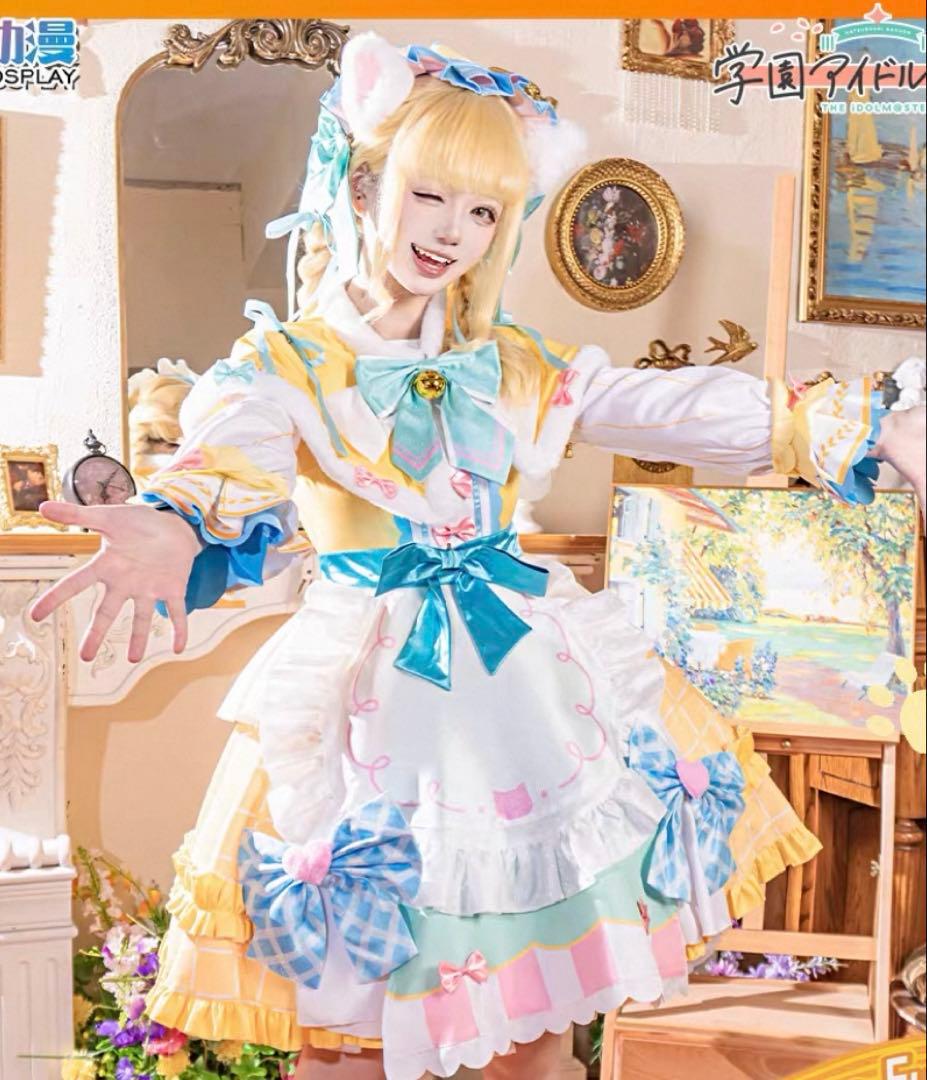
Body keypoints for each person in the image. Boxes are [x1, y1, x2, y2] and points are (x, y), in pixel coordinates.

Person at [31, 33, 926, 1080]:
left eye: (484, 210)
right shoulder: (283, 365)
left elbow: (661, 405)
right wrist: (175, 519)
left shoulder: (512, 363)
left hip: (528, 706)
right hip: (373, 715)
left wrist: (860, 425)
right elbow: (232, 455)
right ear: (363, 188)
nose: (452, 232)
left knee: (538, 1030)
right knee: (346, 1041)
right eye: (430, 196)